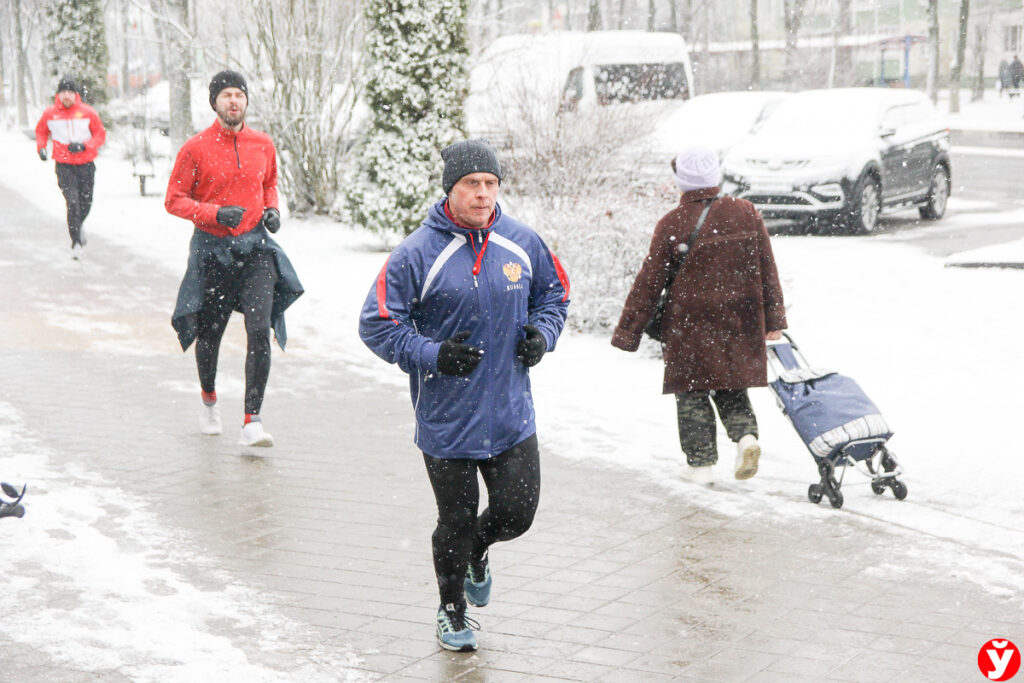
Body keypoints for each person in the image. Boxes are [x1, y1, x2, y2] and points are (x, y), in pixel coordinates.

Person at [359, 139, 570, 652]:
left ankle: (477, 551)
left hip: (511, 414)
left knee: (518, 515)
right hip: (447, 417)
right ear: (450, 189)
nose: (482, 194)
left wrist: (542, 334)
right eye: (470, 184)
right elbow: (377, 324)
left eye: (490, 184)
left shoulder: (522, 242)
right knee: (453, 520)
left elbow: (555, 295)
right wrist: (432, 355)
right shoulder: (416, 253)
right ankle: (452, 610)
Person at [611, 146, 786, 486]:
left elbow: (649, 283)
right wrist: (774, 318)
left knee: (692, 393)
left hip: (690, 325)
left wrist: (628, 332)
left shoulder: (673, 223)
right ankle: (746, 438)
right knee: (732, 387)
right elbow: (767, 267)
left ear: (681, 182)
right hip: (740, 321)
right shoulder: (746, 212)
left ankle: (700, 465)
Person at [165, 70, 303, 448]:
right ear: (215, 102)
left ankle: (251, 421)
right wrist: (213, 213)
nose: (233, 101)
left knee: (260, 330)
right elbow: (174, 200)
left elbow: (270, 183)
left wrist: (272, 210)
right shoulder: (195, 147)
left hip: (255, 249)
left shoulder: (262, 144)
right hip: (212, 251)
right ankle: (209, 397)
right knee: (210, 334)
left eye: (239, 94)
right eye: (226, 94)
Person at [34, 75, 106, 259]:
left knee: (86, 203)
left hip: (86, 164)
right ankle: (76, 242)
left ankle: (79, 226)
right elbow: (41, 131)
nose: (67, 96)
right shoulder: (50, 114)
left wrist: (85, 145)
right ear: (59, 94)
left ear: (76, 94)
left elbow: (100, 135)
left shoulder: (88, 113)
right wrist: (41, 147)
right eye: (63, 92)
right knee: (73, 203)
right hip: (64, 165)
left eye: (70, 92)